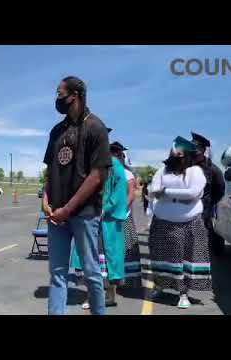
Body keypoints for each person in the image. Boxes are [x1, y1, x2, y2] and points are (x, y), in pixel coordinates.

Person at [42, 76, 112, 315]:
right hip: (56, 215)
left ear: (75, 95)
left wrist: (68, 209)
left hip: (84, 214)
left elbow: (96, 176)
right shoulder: (56, 131)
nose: (57, 98)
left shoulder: (96, 128)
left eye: (60, 93)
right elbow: (50, 169)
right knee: (57, 274)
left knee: (91, 273)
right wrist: (45, 200)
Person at [148, 136, 211, 309]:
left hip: (189, 224)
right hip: (162, 224)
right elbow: (153, 190)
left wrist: (166, 192)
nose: (176, 155)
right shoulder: (162, 171)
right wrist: (179, 195)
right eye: (174, 152)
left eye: (180, 153)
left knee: (185, 260)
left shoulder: (195, 171)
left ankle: (183, 294)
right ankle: (160, 285)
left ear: (187, 155)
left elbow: (193, 193)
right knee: (160, 258)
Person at [70, 137, 127, 309]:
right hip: (89, 216)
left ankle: (110, 296)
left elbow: (119, 191)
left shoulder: (115, 165)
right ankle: (90, 295)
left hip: (107, 220)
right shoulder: (87, 164)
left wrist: (106, 208)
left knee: (107, 259)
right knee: (88, 256)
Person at [110, 142, 142, 288]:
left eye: (119, 155)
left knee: (127, 247)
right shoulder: (108, 171)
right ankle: (114, 278)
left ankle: (128, 279)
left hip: (124, 215)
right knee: (113, 249)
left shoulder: (127, 173)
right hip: (110, 215)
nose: (116, 157)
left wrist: (123, 210)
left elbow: (131, 194)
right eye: (114, 154)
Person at [190, 132, 226, 255]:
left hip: (203, 211)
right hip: (185, 210)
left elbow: (220, 190)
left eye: (196, 153)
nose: (193, 156)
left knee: (202, 242)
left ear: (203, 151)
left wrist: (208, 203)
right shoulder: (185, 167)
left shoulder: (213, 170)